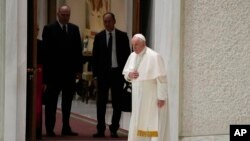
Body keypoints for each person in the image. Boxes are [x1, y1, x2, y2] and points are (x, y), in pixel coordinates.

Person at [42, 5, 83, 137]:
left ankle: (66, 127)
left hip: (69, 73)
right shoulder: (49, 29)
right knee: (51, 103)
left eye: (67, 15)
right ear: (58, 14)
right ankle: (49, 128)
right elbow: (46, 53)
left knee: (67, 102)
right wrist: (46, 76)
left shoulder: (74, 29)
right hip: (54, 73)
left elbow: (78, 51)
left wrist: (79, 70)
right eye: (63, 15)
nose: (65, 17)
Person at [92, 12, 131, 138]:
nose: (107, 24)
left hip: (117, 74)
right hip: (103, 75)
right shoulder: (99, 37)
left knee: (117, 103)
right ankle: (100, 129)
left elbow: (127, 56)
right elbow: (95, 57)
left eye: (109, 21)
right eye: (105, 22)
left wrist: (127, 74)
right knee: (101, 103)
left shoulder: (122, 36)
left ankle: (114, 128)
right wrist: (95, 75)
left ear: (114, 21)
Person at [122, 34, 168, 141]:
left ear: (144, 43)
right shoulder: (132, 56)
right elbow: (126, 74)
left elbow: (162, 79)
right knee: (137, 120)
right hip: (137, 97)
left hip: (150, 96)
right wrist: (129, 75)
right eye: (133, 45)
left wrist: (161, 97)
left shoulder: (154, 56)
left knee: (150, 121)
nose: (134, 47)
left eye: (137, 44)